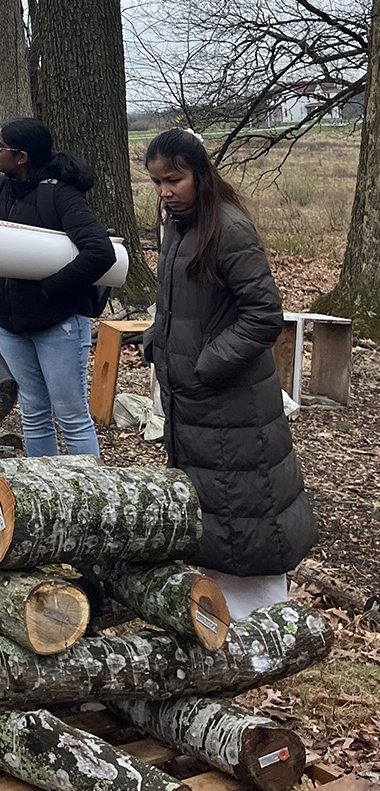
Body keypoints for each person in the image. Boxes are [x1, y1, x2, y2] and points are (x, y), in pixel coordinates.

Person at [143, 128, 317, 618]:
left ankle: (266, 623)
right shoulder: (178, 227)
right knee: (210, 513)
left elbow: (263, 315)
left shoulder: (229, 228)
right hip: (193, 405)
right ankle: (217, 616)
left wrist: (207, 364)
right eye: (157, 182)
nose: (165, 191)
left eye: (173, 179)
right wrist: (158, 340)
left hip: (231, 401)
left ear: (200, 173)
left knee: (248, 507)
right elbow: (180, 305)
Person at [0, 118, 115, 457]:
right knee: (33, 412)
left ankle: (91, 497)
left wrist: (52, 289)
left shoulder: (61, 194)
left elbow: (100, 252)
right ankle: (47, 494)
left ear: (22, 156)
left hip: (59, 324)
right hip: (11, 324)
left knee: (71, 416)